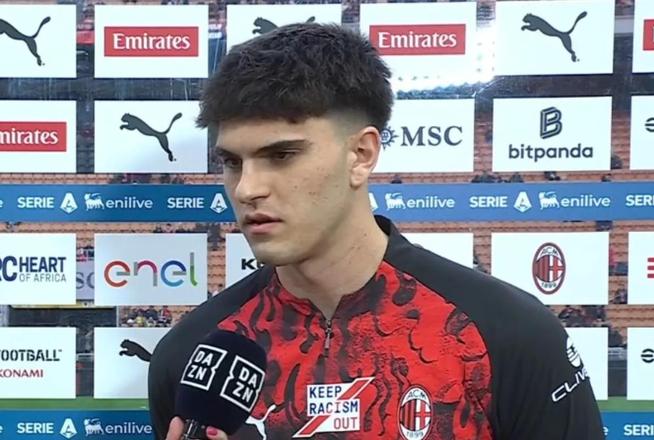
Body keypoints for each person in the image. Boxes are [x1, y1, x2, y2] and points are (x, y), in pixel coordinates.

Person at [149, 23, 604, 440]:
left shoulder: (509, 335)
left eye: (281, 156)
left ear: (362, 155)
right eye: (232, 162)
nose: (247, 188)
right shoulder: (192, 357)